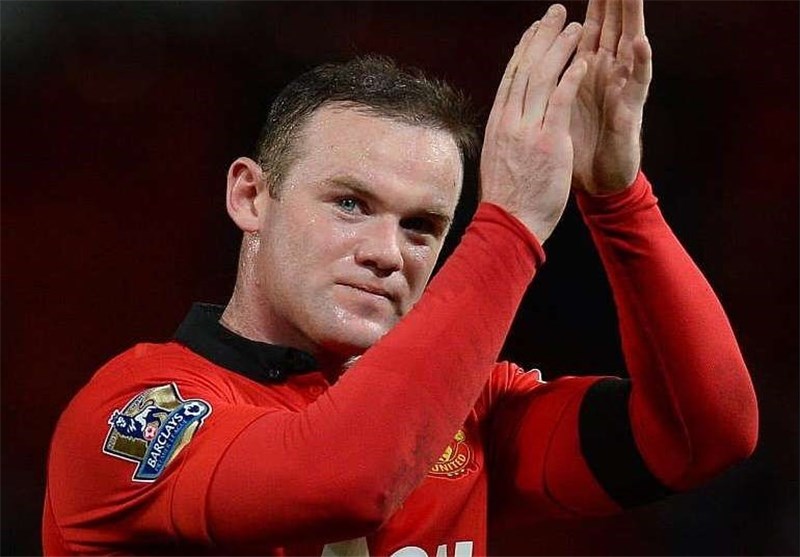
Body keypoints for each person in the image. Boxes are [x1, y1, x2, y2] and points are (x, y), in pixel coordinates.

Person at [43, 1, 758, 555]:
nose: (388, 252)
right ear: (251, 196)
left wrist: (619, 200)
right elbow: (347, 481)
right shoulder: (132, 415)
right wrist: (509, 226)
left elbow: (706, 433)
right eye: (350, 204)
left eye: (421, 226)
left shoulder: (465, 412)